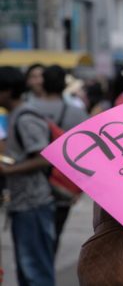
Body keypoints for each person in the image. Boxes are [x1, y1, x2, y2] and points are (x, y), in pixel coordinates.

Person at [0, 66, 55, 286]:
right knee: (27, 270)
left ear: (8, 91)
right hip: (22, 203)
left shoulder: (25, 117)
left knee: (35, 271)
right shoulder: (16, 116)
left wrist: (8, 170)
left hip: (33, 204)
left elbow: (45, 157)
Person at [31, 65, 89, 254]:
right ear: (64, 84)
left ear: (43, 83)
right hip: (63, 186)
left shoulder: (28, 110)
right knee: (54, 236)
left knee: (33, 243)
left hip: (31, 186)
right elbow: (86, 152)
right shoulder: (77, 113)